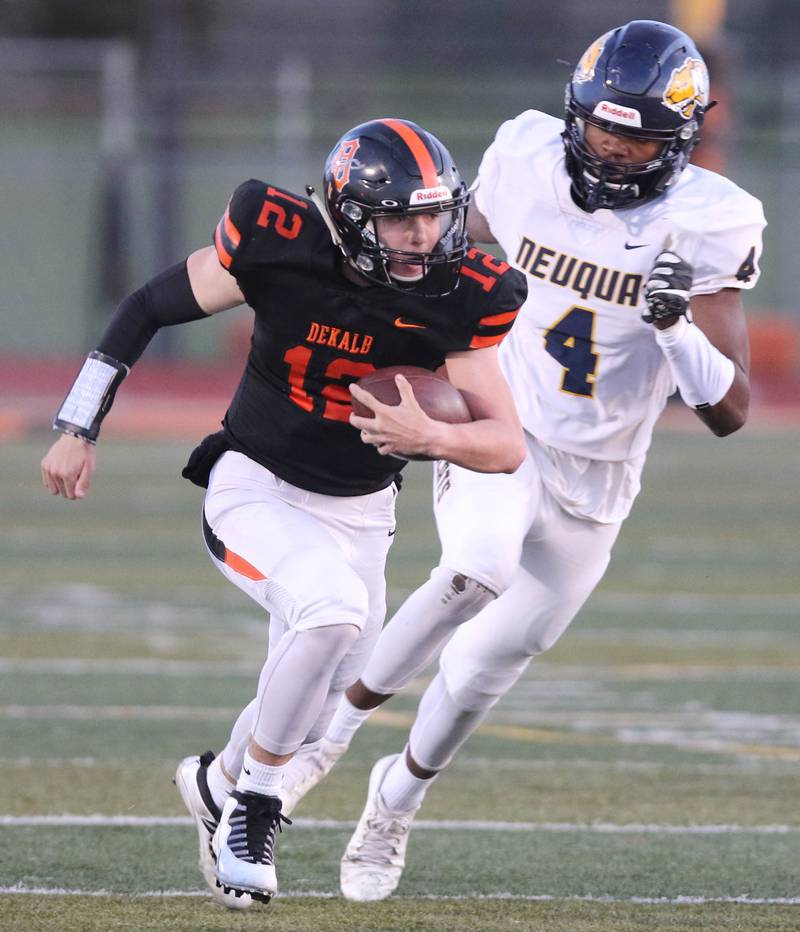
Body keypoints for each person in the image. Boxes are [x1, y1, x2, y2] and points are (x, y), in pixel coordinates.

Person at [273, 20, 767, 902]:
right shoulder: (524, 154)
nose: (613, 152)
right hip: (503, 426)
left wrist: (674, 326)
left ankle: (394, 802)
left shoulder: (713, 220)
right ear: (575, 113)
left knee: (478, 677)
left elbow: (729, 411)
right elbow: (445, 254)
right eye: (604, 128)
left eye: (638, 136)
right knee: (473, 570)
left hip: (599, 479)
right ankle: (328, 741)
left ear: (680, 141)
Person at [40, 118, 528, 907]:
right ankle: (256, 809)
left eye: (435, 214)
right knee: (329, 617)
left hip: (364, 510)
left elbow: (506, 445)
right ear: (350, 216)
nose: (423, 233)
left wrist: (432, 435)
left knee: (315, 703)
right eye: (402, 216)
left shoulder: (463, 291)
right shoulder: (278, 244)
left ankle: (219, 781)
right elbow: (145, 307)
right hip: (254, 484)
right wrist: (75, 425)